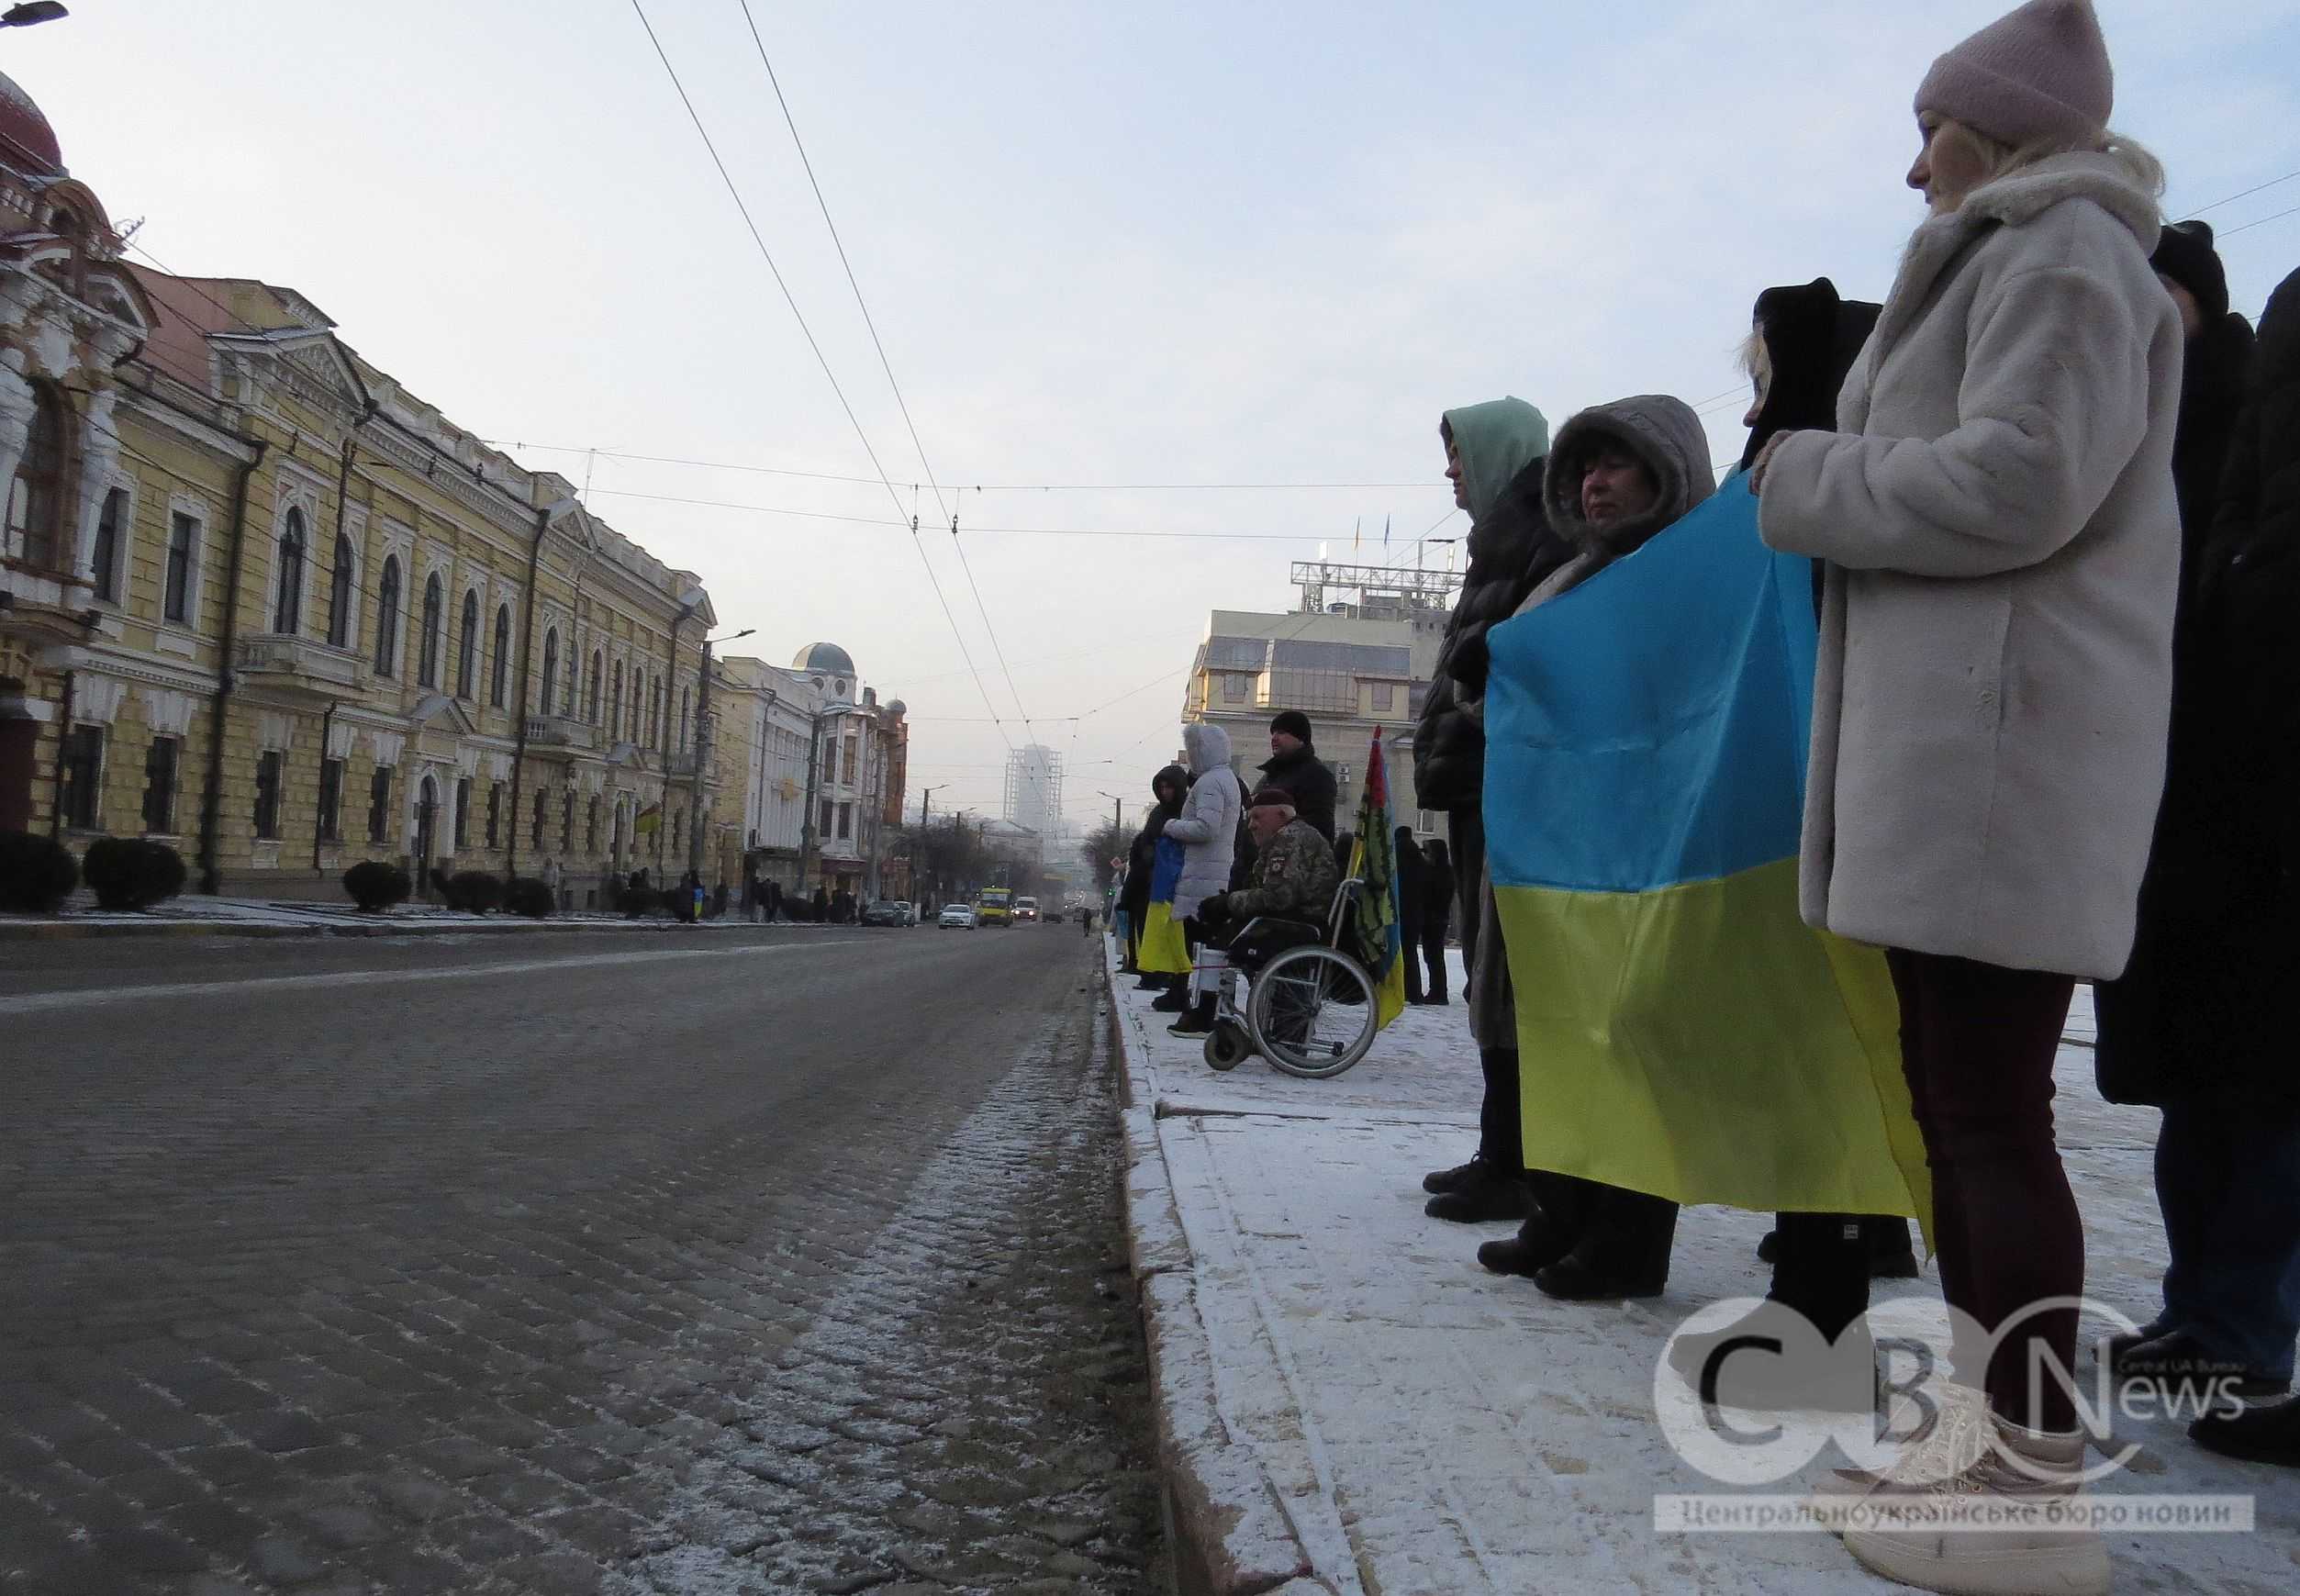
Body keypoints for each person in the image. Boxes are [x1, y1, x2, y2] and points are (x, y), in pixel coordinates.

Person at [1752, 4, 2182, 1583]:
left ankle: (2031, 1482)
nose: (1911, 161)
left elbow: (2018, 480)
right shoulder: (2030, 253)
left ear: (1991, 131)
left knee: (1990, 1116)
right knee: (1961, 1111)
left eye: (1929, 127)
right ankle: (1990, 1439)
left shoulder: (2061, 252)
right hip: (1975, 760)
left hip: (2003, 763)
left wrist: (1805, 473)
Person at [2099, 252, 2291, 1434]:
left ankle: (2244, 1327)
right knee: (2193, 1081)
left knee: (2262, 1082)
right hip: (2169, 800)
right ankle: (2198, 1310)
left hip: (2253, 796)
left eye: (2155, 293)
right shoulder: (2136, 429)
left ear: (2200, 306)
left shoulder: (2236, 415)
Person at [1468, 394, 1713, 1288]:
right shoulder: (1571, 578)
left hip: (1647, 843)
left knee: (1634, 1038)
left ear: (1667, 470)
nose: (1593, 484)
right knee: (1562, 1033)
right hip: (1560, 845)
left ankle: (1630, 1236)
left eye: (1614, 463)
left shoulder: (1694, 574)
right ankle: (1562, 1209)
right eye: (1582, 469)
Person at [1414, 397, 1563, 1208]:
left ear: (1499, 452)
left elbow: (1525, 659)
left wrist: (1475, 701)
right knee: (1487, 975)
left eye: (1459, 454)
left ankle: (1516, 1165)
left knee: (1508, 982)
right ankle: (1501, 1151)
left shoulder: (1543, 531)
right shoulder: (1499, 539)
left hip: (1511, 783)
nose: (1450, 471)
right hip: (1481, 782)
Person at [1156, 722, 1243, 1036]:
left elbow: (1206, 827)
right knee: (1213, 948)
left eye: (1193, 750)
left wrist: (1171, 826)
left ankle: (1205, 1013)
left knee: (1206, 948)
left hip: (1203, 875)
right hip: (1214, 871)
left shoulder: (1209, 782)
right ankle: (1213, 1009)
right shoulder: (1227, 779)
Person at [1125, 765, 1190, 989]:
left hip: (1174, 879)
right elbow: (1146, 839)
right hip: (1151, 880)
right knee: (1149, 929)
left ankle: (1169, 975)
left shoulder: (1187, 810)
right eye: (1161, 788)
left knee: (1171, 930)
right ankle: (1150, 974)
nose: (1165, 792)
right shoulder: (1157, 813)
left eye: (1169, 787)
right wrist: (1148, 856)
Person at [1257, 711, 1337, 842]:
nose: (1274, 738)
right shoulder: (1271, 775)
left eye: (1281, 732)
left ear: (1301, 739)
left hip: (1289, 852)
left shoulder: (1317, 775)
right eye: (1273, 733)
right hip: (1264, 853)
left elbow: (1319, 828)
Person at [1414, 836, 1452, 1004]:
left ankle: (1438, 992)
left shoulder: (1436, 873)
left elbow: (1431, 895)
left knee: (1434, 956)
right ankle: (1438, 990)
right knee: (1434, 956)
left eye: (1427, 852)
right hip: (1438, 919)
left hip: (1434, 920)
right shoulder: (1446, 871)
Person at [1393, 826, 1425, 1004]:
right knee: (1411, 952)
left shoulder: (1396, 852)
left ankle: (1399, 989)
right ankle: (1414, 992)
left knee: (1397, 952)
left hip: (1399, 909)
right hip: (1415, 911)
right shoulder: (1418, 856)